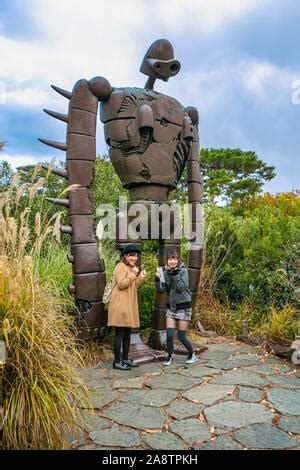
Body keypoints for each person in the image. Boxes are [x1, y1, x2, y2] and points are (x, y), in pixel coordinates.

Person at [155, 250, 198, 366]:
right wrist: (158, 279)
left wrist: (174, 273)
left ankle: (192, 354)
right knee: (169, 335)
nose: (172, 261)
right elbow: (161, 290)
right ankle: (170, 356)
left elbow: (180, 288)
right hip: (171, 308)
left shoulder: (183, 271)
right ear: (167, 261)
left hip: (184, 307)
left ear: (178, 260)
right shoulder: (165, 272)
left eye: (174, 259)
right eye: (170, 259)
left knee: (181, 336)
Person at [108, 244, 147, 370]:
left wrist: (140, 278)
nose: (134, 258)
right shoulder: (120, 267)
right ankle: (117, 361)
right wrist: (134, 274)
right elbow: (121, 284)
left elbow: (134, 285)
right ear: (125, 256)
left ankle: (125, 358)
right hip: (120, 305)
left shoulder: (132, 268)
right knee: (119, 333)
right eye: (131, 255)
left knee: (127, 333)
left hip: (128, 305)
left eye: (135, 256)